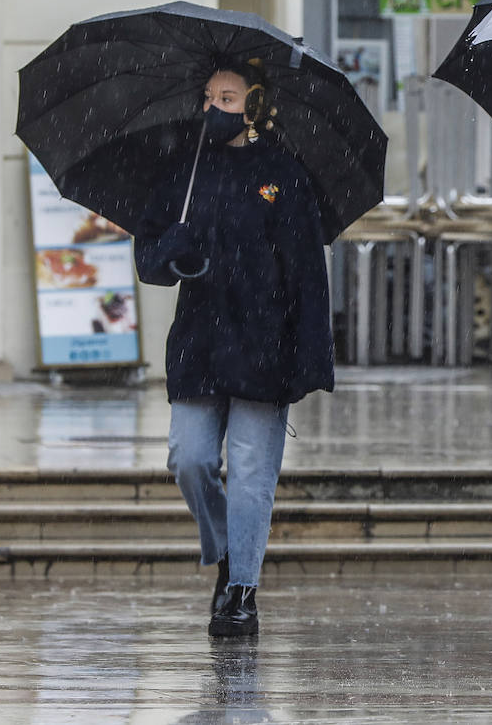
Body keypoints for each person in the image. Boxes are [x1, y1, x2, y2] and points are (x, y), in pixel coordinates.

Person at [135, 60, 333, 638]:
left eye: (226, 97)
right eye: (208, 97)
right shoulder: (184, 170)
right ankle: (227, 548)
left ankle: (242, 587)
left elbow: (306, 273)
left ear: (253, 105)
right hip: (198, 342)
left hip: (265, 345)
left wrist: (309, 358)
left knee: (252, 471)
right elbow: (150, 261)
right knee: (190, 459)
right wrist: (168, 247)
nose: (213, 107)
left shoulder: (283, 174)